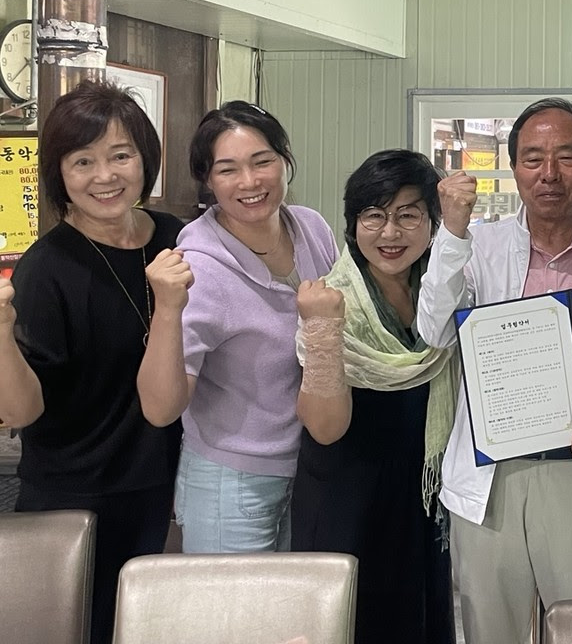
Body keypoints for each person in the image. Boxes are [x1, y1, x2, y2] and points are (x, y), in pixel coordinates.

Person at [418, 98, 572, 644]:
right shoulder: (478, 246)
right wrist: (451, 232)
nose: (549, 173)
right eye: (533, 158)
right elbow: (434, 331)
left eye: (567, 157)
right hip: (494, 477)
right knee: (492, 632)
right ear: (514, 167)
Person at [0, 80, 191, 644]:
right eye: (83, 161)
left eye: (120, 155)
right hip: (73, 496)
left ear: (145, 159)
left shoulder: (178, 240)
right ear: (59, 174)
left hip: (163, 486)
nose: (105, 176)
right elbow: (21, 411)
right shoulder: (46, 269)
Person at [137, 101, 337, 552]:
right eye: (228, 169)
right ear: (208, 180)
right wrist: (167, 308)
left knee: (303, 600)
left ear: (285, 160)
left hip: (311, 467)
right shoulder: (201, 269)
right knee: (231, 602)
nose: (250, 182)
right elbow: (161, 408)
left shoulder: (312, 230)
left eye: (262, 161)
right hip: (231, 482)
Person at [291, 150, 457, 644]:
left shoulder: (443, 293)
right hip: (347, 497)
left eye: (408, 215)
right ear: (352, 224)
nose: (390, 233)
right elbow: (324, 428)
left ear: (432, 223)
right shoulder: (329, 300)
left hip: (422, 495)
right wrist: (323, 330)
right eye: (373, 215)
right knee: (354, 625)